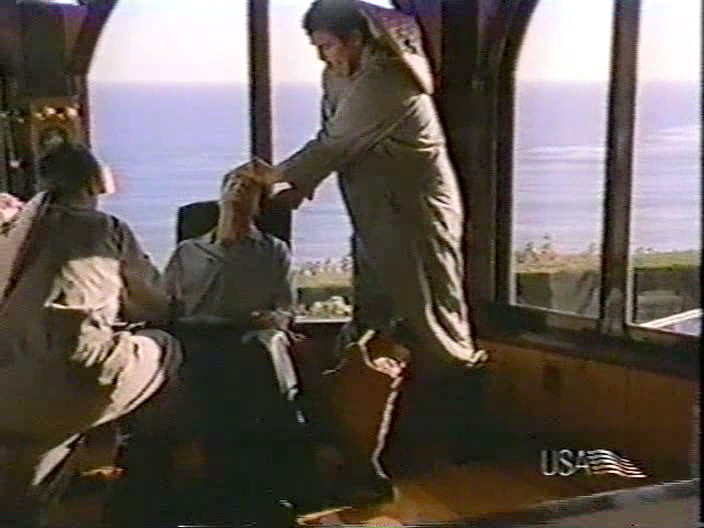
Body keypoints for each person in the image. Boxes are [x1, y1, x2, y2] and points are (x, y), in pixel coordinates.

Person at [243, 0, 489, 476]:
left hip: (415, 215)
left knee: (435, 315)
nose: (322, 56)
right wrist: (300, 185)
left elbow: (336, 143)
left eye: (328, 46)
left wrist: (273, 175)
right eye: (317, 47)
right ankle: (367, 434)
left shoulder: (388, 80)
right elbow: (335, 136)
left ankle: (465, 432)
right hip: (375, 212)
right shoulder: (338, 77)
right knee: (374, 313)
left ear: (357, 40)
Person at [0, 143, 183, 526]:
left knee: (31, 460)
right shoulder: (105, 228)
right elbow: (153, 306)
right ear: (91, 186)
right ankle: (151, 486)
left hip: (11, 387)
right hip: (77, 380)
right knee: (166, 347)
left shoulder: (13, 233)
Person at [163, 168, 304, 525]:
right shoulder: (187, 252)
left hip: (250, 339)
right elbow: (165, 306)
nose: (240, 188)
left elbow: (286, 310)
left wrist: (270, 319)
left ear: (258, 205)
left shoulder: (273, 251)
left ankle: (267, 485)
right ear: (221, 195)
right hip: (197, 338)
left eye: (250, 187)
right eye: (233, 183)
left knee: (260, 351)